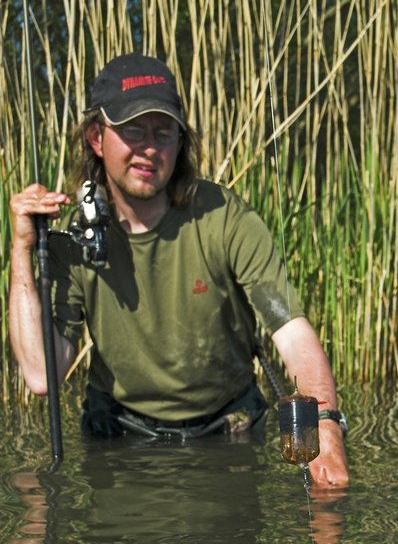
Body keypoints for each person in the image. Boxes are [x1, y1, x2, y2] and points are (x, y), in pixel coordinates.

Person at [9, 53, 349, 486]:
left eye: (163, 132)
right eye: (133, 130)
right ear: (97, 138)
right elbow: (41, 376)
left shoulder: (225, 218)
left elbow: (293, 333)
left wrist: (325, 433)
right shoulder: (74, 240)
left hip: (228, 434)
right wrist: (22, 249)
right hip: (118, 440)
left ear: (180, 142)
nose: (149, 148)